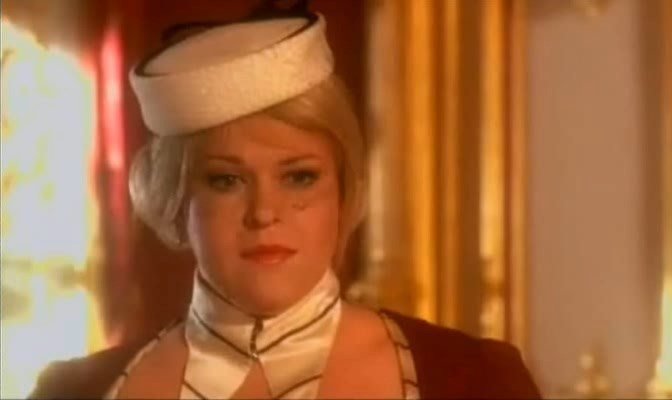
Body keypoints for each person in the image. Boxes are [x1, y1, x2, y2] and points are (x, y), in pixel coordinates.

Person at [30, 1, 541, 398]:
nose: (264, 213)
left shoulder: (474, 380)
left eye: (299, 177)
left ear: (344, 189)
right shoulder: (75, 393)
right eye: (226, 181)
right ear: (176, 200)